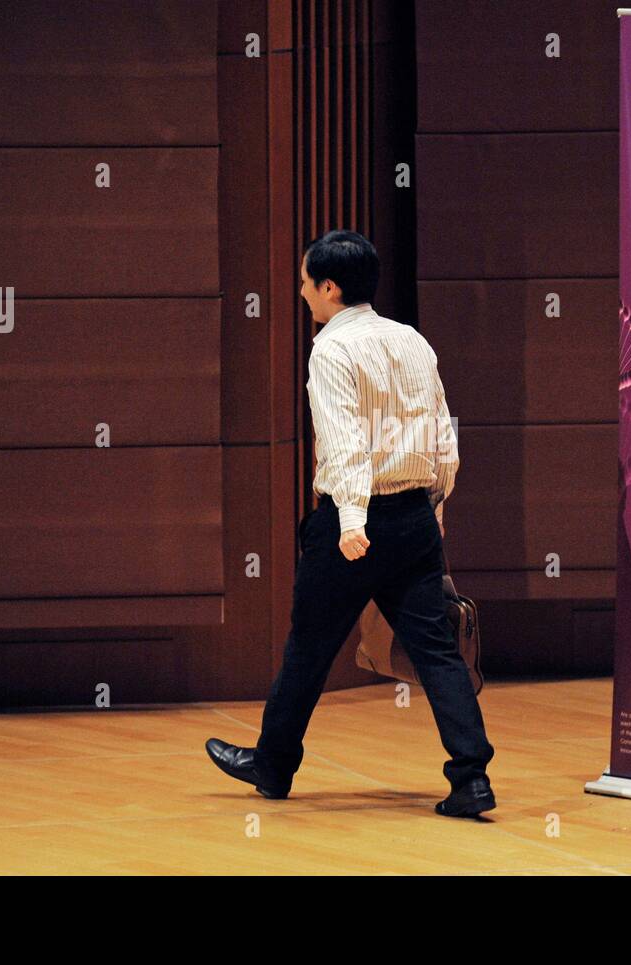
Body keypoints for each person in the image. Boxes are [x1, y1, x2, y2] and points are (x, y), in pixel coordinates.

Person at [206, 229, 496, 817]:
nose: (304, 293)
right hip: (413, 518)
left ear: (330, 287)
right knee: (438, 652)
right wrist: (434, 509)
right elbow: (443, 433)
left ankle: (272, 764)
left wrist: (351, 521)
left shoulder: (331, 350)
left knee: (309, 648)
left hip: (352, 527)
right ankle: (471, 780)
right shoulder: (412, 340)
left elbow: (343, 443)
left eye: (308, 283)